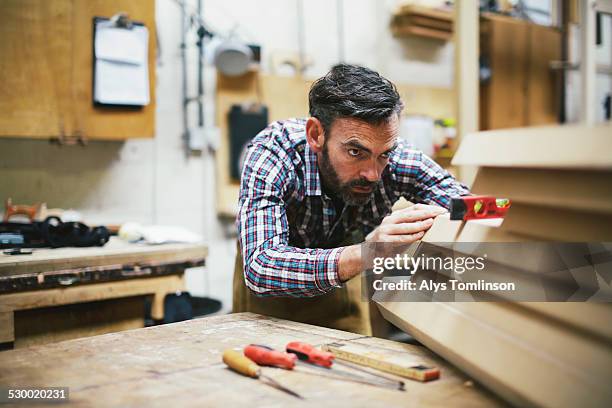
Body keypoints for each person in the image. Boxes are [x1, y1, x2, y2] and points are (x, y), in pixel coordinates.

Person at [233, 64, 469, 334]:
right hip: (266, 302)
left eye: (384, 154)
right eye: (356, 152)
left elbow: (470, 205)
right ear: (316, 135)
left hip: (340, 291)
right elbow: (261, 264)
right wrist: (367, 253)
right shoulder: (274, 153)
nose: (373, 174)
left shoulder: (398, 157)